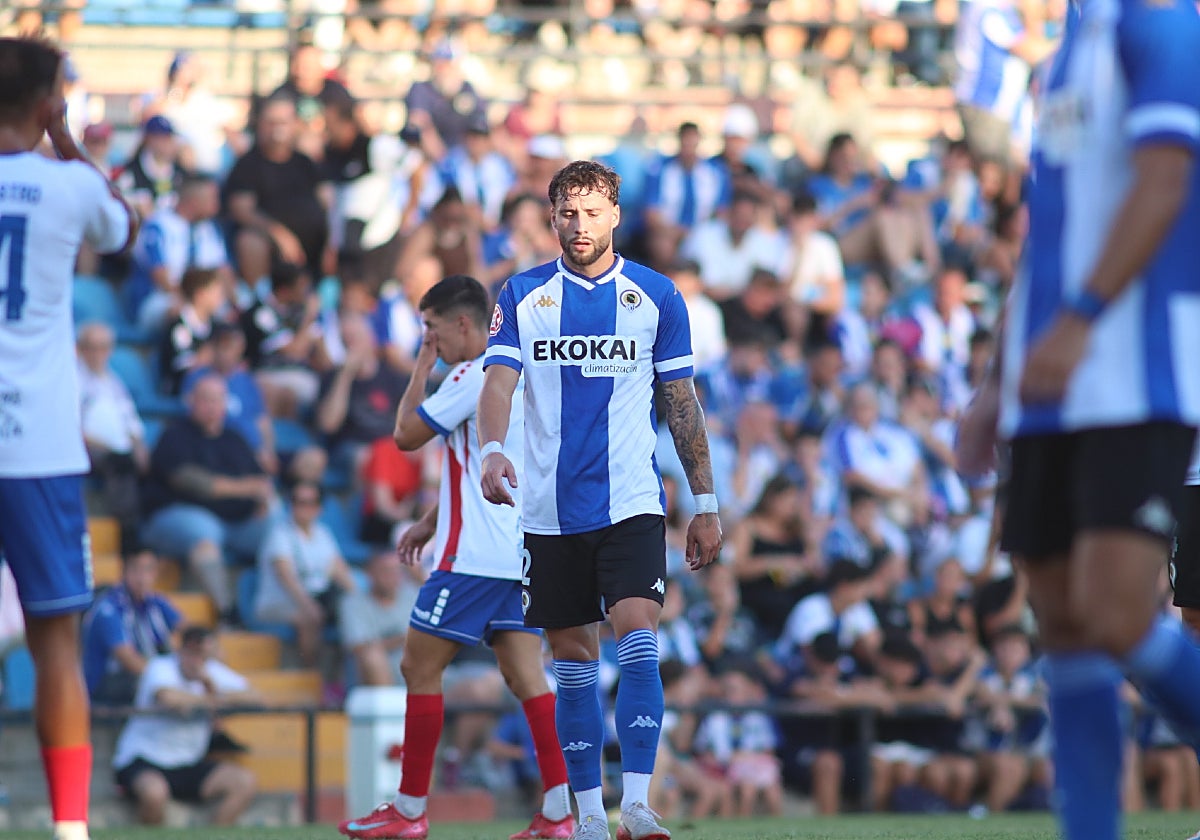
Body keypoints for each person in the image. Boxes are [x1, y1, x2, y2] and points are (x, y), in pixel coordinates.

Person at [954, 4, 1200, 840]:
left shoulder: (1162, 25)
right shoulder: (1060, 56)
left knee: (1119, 611)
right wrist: (993, 384)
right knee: (1061, 622)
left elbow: (1165, 183)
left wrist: (1082, 317)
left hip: (1134, 372)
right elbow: (1043, 237)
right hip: (1045, 383)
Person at [479, 160, 723, 840]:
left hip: (632, 504)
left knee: (638, 632)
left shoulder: (656, 297)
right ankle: (589, 818)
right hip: (549, 512)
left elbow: (681, 402)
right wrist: (492, 449)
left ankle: (638, 804)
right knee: (575, 663)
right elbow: (498, 384)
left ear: (615, 215)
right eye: (567, 214)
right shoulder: (523, 296)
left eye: (591, 213)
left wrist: (705, 501)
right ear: (552, 218)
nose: (579, 226)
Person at [339, 274, 575, 840]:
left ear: (462, 323)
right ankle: (560, 813)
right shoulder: (512, 376)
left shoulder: (472, 375)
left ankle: (409, 811)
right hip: (518, 554)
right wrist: (430, 518)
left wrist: (420, 367)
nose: (430, 339)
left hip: (471, 559)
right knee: (526, 677)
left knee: (418, 665)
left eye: (432, 328)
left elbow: (402, 435)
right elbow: (478, 464)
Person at [0, 36, 138, 840]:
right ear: (50, 101)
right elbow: (123, 229)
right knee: (57, 637)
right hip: (39, 443)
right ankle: (69, 829)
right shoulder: (67, 186)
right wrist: (68, 140)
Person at [111, 626, 261, 826]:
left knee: (244, 782)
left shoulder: (211, 672)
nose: (197, 662)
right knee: (154, 794)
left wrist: (212, 691)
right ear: (181, 651)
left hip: (189, 762)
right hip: (145, 759)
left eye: (203, 656)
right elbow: (169, 698)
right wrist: (212, 698)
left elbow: (256, 698)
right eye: (192, 654)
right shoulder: (161, 667)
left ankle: (215, 835)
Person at [81, 549, 180, 707]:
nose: (142, 578)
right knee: (165, 691)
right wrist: (171, 677)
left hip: (147, 674)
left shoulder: (156, 603)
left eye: (148, 570)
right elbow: (128, 660)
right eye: (136, 570)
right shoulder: (109, 608)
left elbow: (191, 633)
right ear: (124, 571)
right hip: (108, 683)